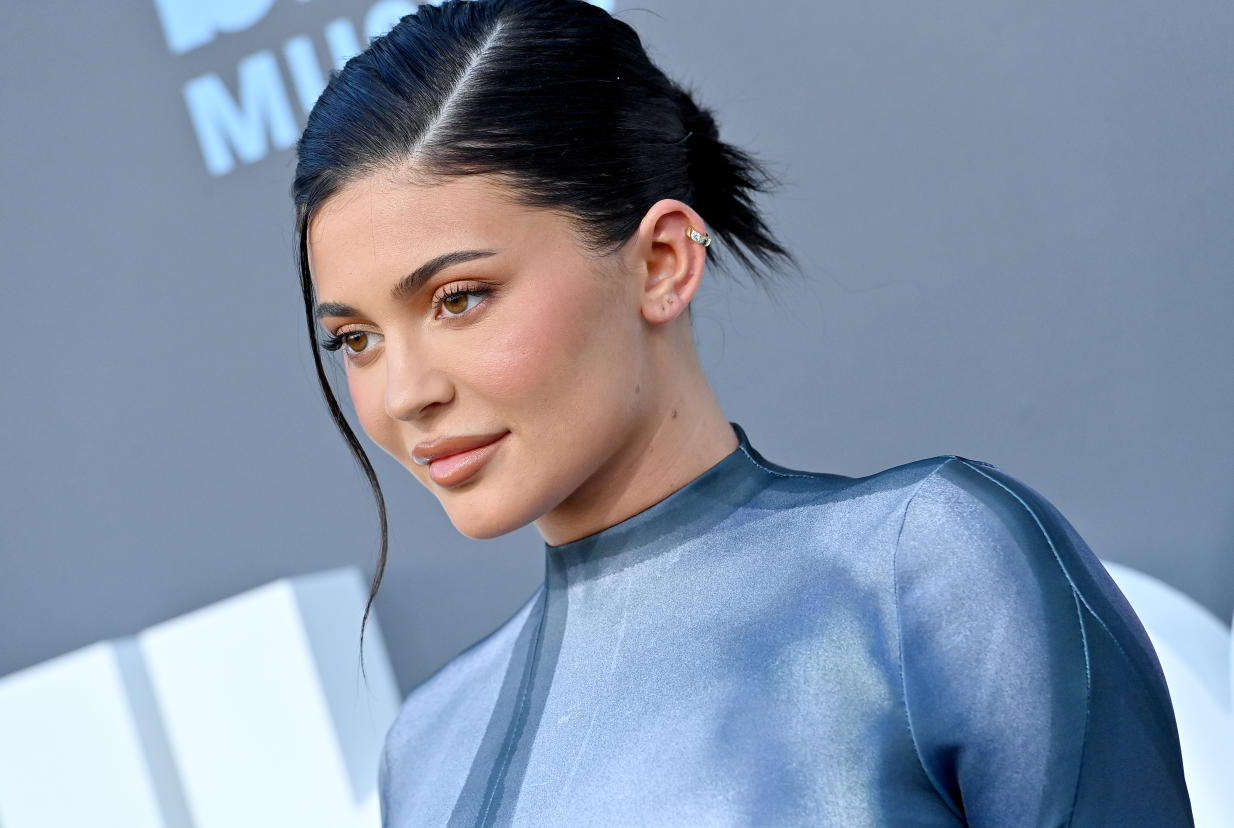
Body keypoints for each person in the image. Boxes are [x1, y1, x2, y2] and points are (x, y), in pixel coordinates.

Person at [291, 0, 1194, 824]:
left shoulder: (926, 571)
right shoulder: (430, 750)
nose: (406, 393)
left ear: (662, 262)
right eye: (355, 340)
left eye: (459, 298)